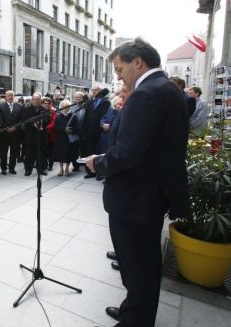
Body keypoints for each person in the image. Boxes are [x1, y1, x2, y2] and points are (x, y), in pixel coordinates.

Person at [85, 38, 189, 327]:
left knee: (138, 267)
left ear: (138, 62)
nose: (118, 76)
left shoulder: (147, 94)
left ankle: (136, 320)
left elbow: (129, 152)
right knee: (141, 264)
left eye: (120, 69)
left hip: (136, 197)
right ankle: (134, 310)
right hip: (148, 195)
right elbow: (146, 146)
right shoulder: (167, 89)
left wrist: (99, 161)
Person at [81, 85, 110, 179]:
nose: (93, 92)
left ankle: (99, 173)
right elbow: (85, 117)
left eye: (96, 90)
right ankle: (90, 172)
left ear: (101, 91)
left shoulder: (106, 102)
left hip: (100, 132)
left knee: (99, 153)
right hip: (89, 132)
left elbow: (105, 116)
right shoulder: (90, 102)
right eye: (92, 90)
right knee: (88, 151)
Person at [21, 93, 50, 176]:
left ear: (40, 100)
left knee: (41, 153)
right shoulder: (26, 108)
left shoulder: (44, 109)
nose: (36, 101)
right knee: (29, 154)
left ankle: (41, 169)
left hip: (41, 135)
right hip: (30, 135)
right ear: (32, 100)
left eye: (38, 100)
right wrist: (33, 123)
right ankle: (28, 170)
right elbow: (24, 119)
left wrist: (41, 123)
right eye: (34, 99)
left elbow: (47, 118)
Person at [0, 90, 23, 175]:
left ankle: (12, 168)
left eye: (12, 95)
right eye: (9, 95)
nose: (10, 97)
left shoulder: (19, 106)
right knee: (3, 152)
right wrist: (6, 128)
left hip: (15, 133)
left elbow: (21, 119)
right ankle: (3, 168)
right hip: (4, 133)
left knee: (14, 152)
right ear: (5, 97)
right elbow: (0, 119)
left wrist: (15, 127)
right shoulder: (0, 106)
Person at [51, 100, 79, 176]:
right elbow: (56, 127)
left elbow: (77, 127)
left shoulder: (73, 115)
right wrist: (64, 129)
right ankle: (61, 169)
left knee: (69, 155)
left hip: (69, 139)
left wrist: (71, 130)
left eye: (67, 106)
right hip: (60, 138)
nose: (66, 108)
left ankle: (67, 169)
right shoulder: (58, 116)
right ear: (61, 107)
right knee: (60, 155)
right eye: (64, 106)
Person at [70, 91, 86, 172]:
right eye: (77, 97)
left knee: (83, 148)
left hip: (83, 130)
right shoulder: (72, 107)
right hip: (75, 131)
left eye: (81, 97)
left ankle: (83, 163)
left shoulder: (86, 106)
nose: (79, 98)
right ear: (75, 98)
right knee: (74, 149)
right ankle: (75, 165)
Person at [43, 96, 57, 171]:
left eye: (49, 103)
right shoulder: (42, 110)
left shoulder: (53, 111)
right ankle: (45, 164)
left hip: (51, 134)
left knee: (51, 151)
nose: (47, 104)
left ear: (51, 103)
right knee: (44, 151)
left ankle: (50, 165)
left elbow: (53, 122)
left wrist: (47, 128)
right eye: (45, 103)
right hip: (43, 134)